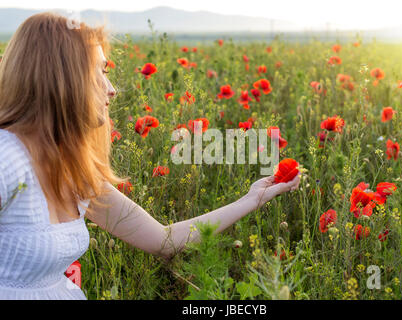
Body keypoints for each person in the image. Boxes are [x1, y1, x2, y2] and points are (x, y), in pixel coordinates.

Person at [0, 12, 300, 300]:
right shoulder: (7, 160)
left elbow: (163, 240)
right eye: (100, 72)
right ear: (63, 77)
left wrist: (252, 199)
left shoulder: (73, 170)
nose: (112, 89)